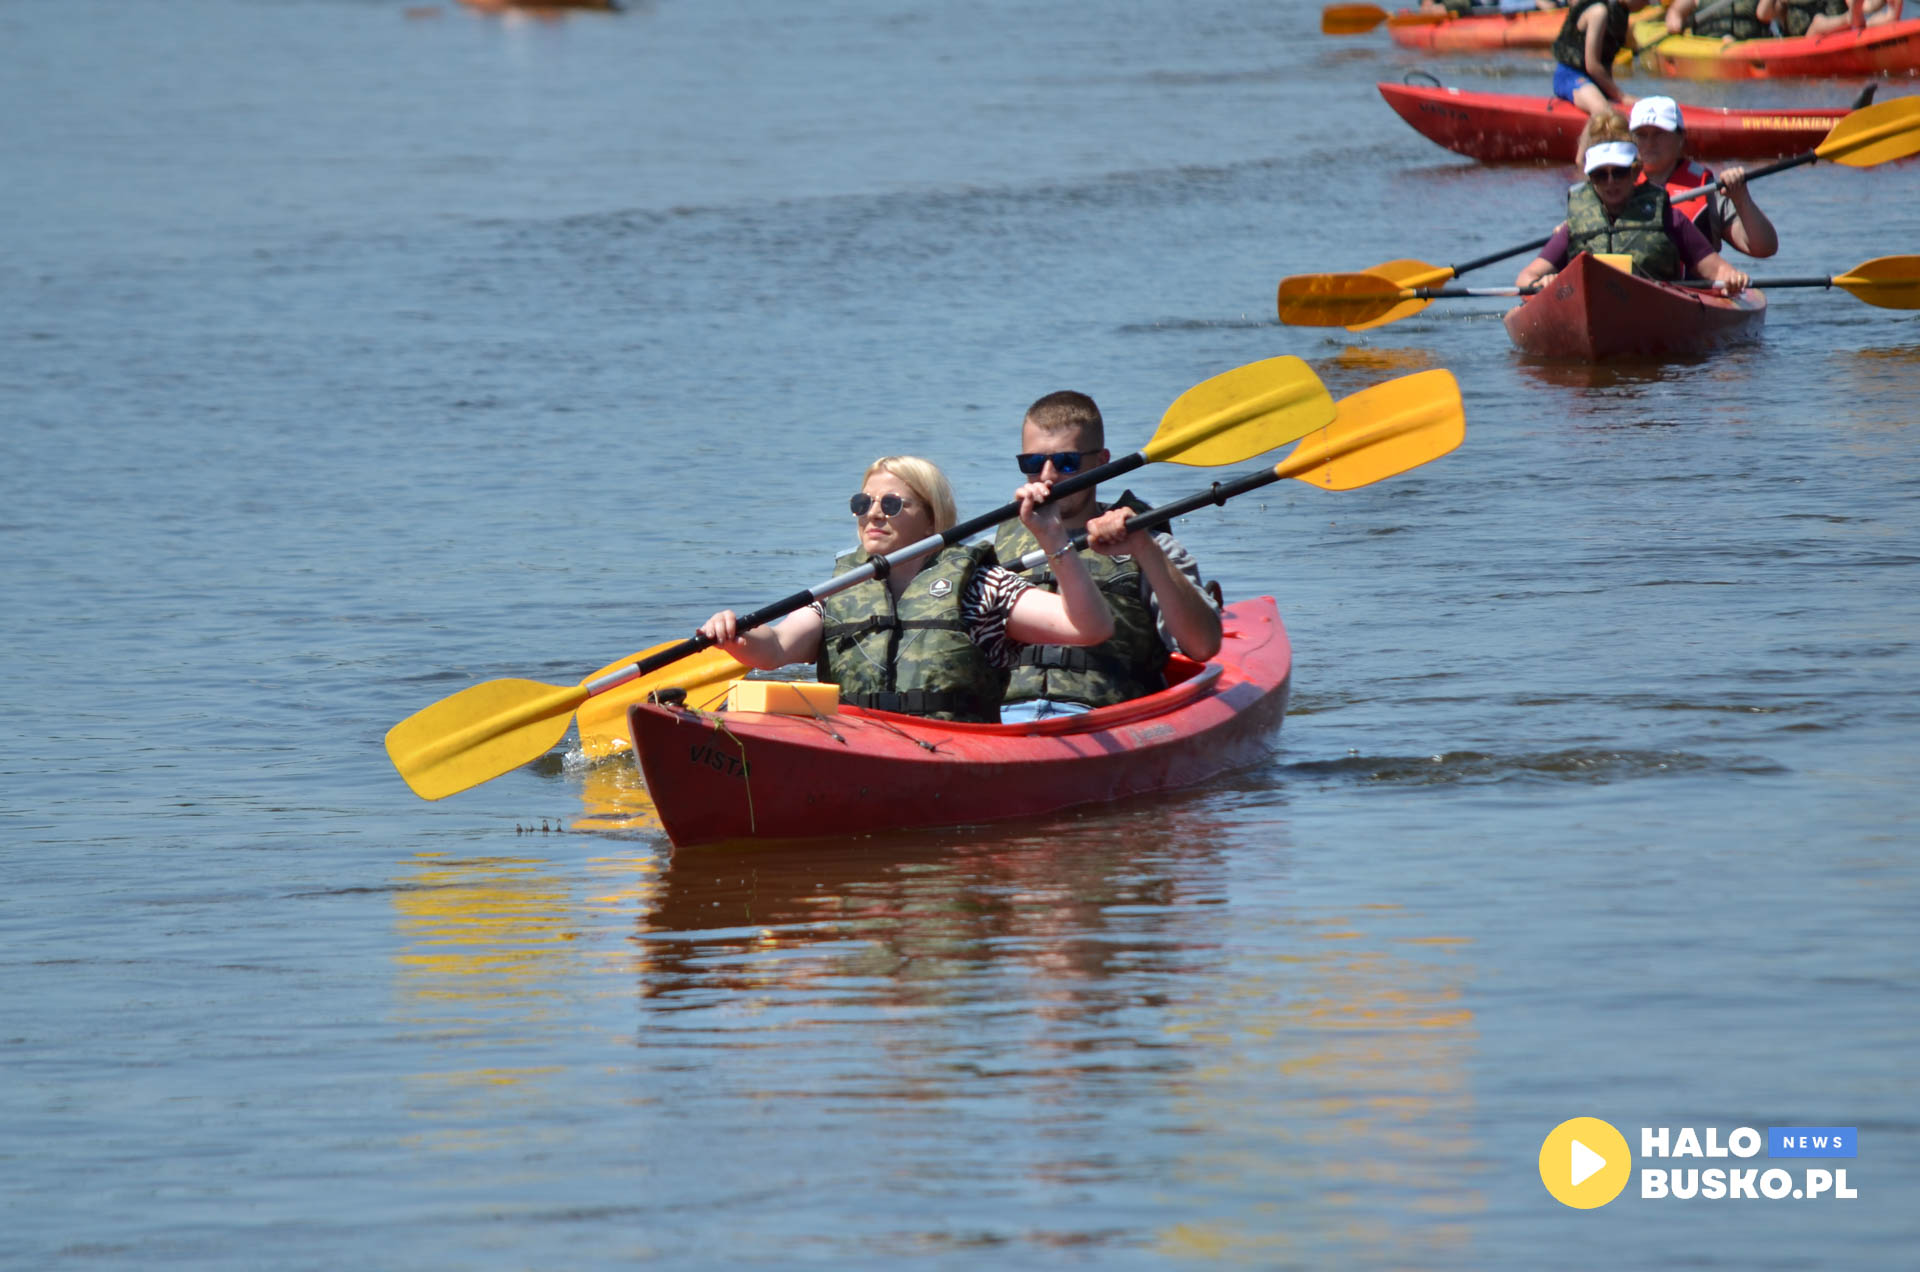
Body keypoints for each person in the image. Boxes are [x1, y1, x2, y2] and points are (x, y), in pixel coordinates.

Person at [697, 456, 1113, 724]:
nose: (873, 513)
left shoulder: (981, 588)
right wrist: (737, 634)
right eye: (863, 504)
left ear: (932, 521)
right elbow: (773, 651)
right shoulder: (840, 592)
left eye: (892, 504)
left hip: (956, 752)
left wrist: (1051, 535)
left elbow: (1088, 628)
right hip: (857, 744)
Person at [991, 391, 1222, 723]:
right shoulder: (990, 550)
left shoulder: (1152, 545)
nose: (1047, 476)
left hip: (1107, 720)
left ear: (1101, 463)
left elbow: (1203, 646)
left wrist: (1143, 548)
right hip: (1002, 719)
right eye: (1031, 463)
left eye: (1065, 462)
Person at [1515, 116, 1752, 291]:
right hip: (1591, 304)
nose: (1610, 182)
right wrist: (1542, 282)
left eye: (1618, 173)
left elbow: (1719, 270)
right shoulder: (1575, 224)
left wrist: (1732, 279)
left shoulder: (1669, 218)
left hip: (1655, 307)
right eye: (1600, 175)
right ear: (1591, 179)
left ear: (1634, 172)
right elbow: (1526, 276)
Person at [1629, 96, 1778, 258]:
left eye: (1659, 134)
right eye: (1642, 135)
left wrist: (1741, 198)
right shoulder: (1614, 182)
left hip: (1692, 281)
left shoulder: (1707, 188)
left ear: (1681, 137)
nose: (1650, 143)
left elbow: (1764, 248)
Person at [1550, 0, 1651, 119]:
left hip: (1596, 81)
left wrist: (1612, 95)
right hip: (1570, 77)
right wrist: (1621, 96)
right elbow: (1592, 66)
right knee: (1605, 114)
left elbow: (1606, 63)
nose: (1648, 3)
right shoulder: (1598, 12)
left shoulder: (1620, 14)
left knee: (1619, 109)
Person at [1663, 0, 1778, 39]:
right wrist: (1674, 20)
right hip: (1710, 46)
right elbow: (1676, 11)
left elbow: (1765, 15)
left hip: (1749, 45)